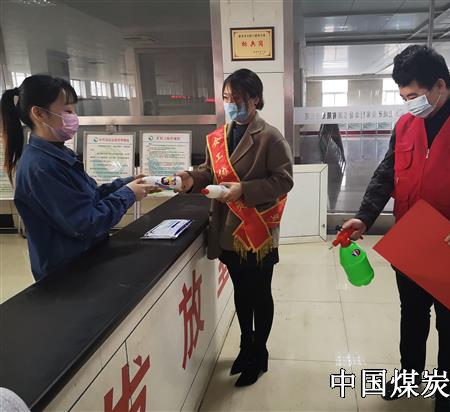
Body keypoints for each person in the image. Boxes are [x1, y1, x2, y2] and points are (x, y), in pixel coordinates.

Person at [342, 46, 450, 412]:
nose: (409, 104)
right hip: (412, 240)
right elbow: (386, 174)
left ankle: (446, 389)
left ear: (440, 86)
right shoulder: (406, 125)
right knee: (412, 314)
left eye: (414, 96)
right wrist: (365, 216)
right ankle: (410, 375)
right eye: (403, 97)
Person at [175, 69, 293, 387]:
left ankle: (259, 353)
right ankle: (245, 346)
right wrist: (190, 178)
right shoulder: (217, 137)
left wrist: (245, 189)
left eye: (237, 99)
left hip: (257, 232)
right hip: (228, 230)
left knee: (260, 293)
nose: (231, 104)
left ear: (255, 99)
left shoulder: (271, 137)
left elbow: (284, 181)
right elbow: (208, 171)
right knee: (241, 291)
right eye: (227, 98)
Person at [1, 75, 157, 281]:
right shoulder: (41, 167)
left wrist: (127, 184)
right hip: (68, 275)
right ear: (38, 113)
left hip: (87, 261)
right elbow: (85, 223)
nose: (73, 117)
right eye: (67, 111)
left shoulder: (59, 154)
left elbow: (88, 198)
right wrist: (128, 195)